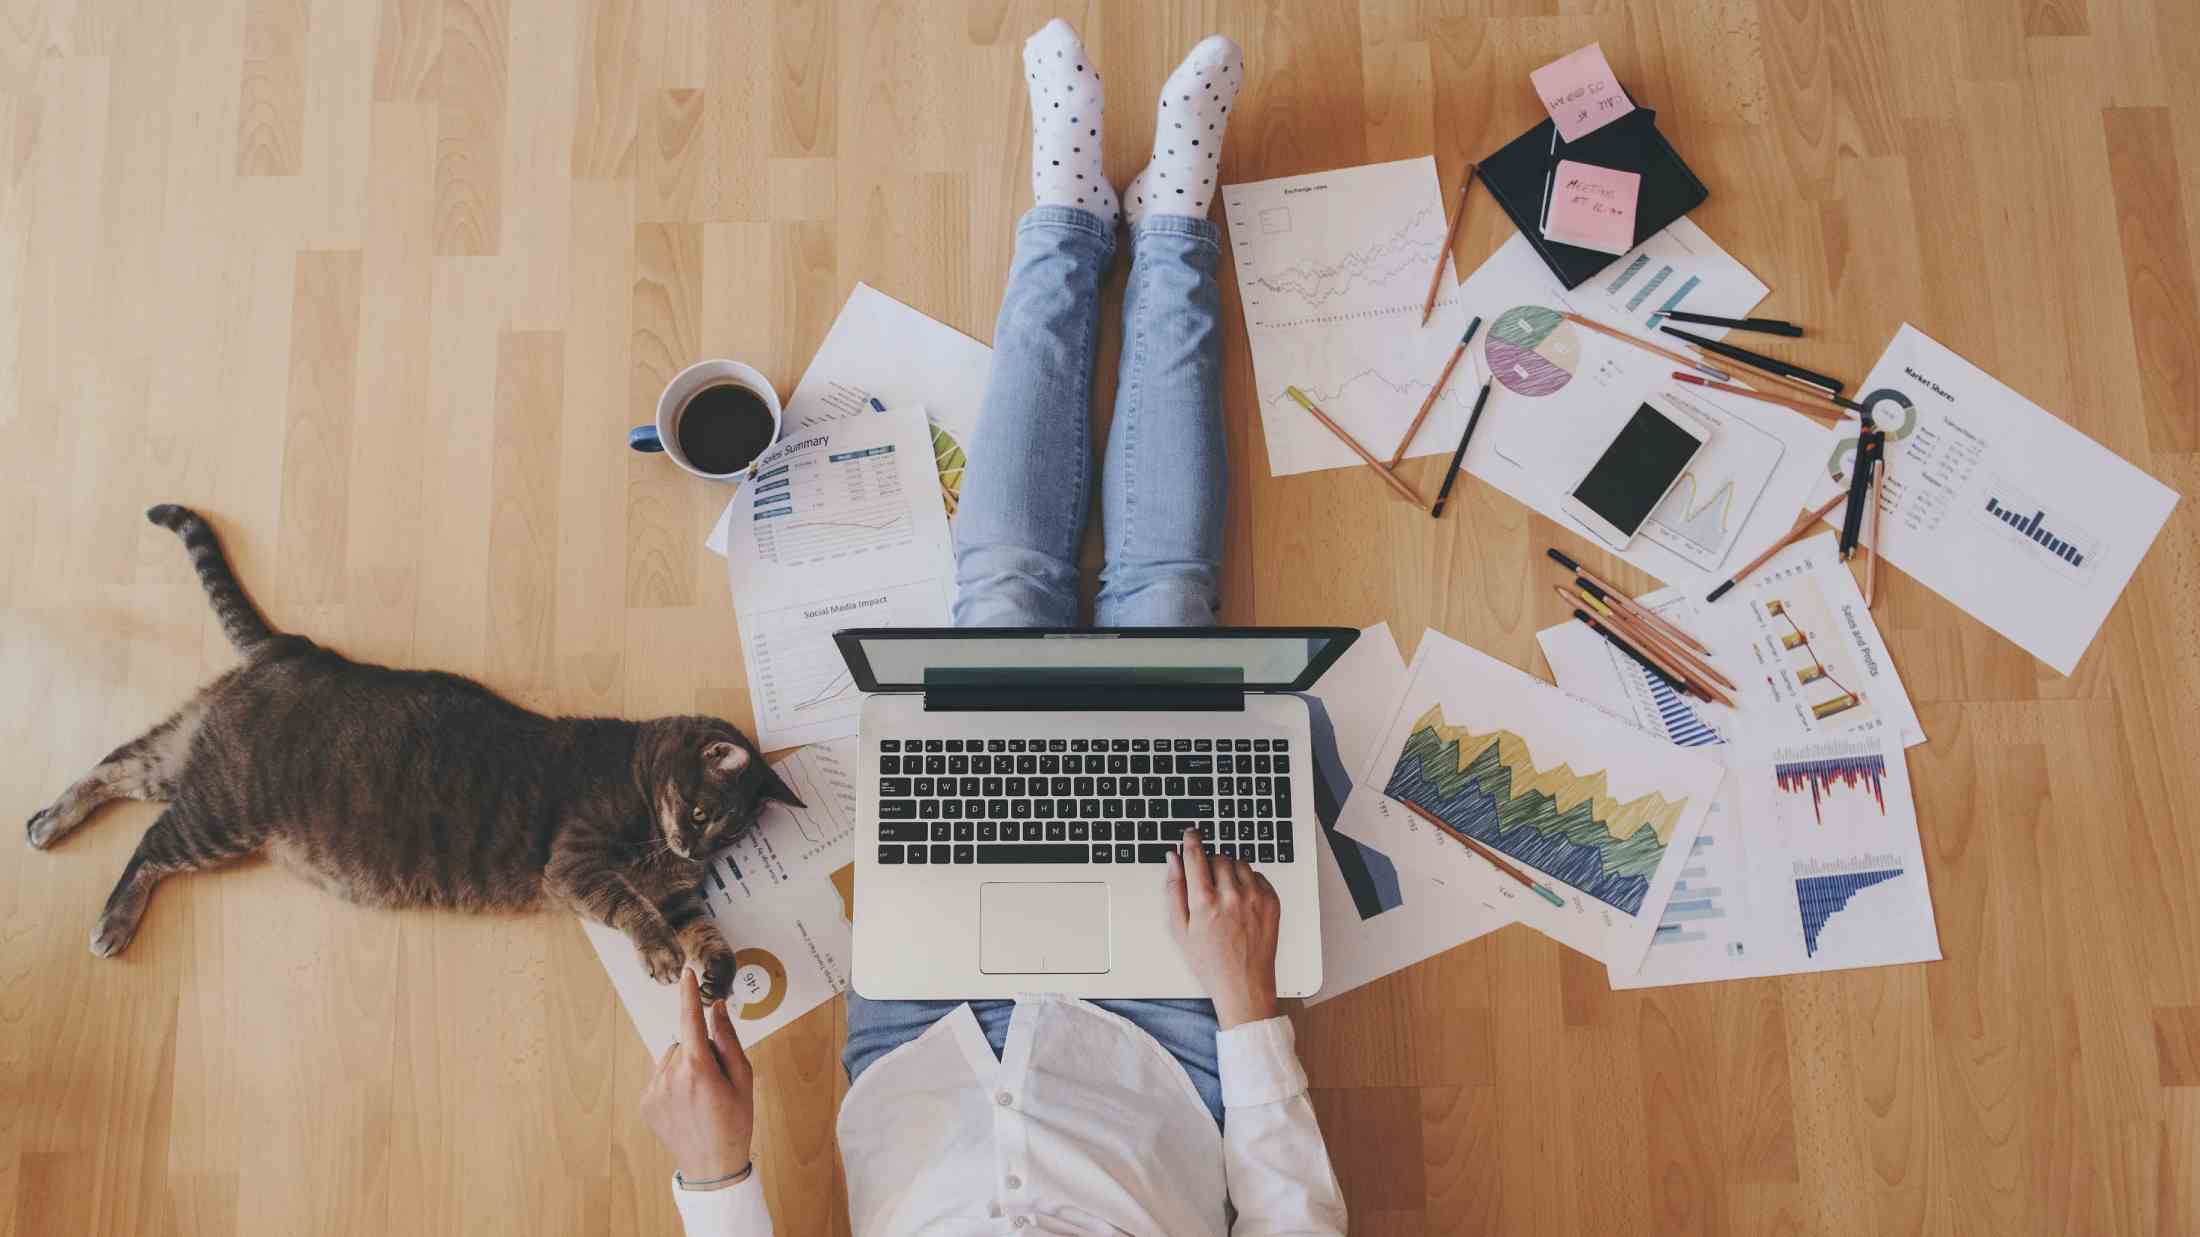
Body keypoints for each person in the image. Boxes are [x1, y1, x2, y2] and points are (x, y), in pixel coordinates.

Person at [642, 20, 1348, 1234]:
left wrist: (714, 1179)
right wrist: (1246, 1009)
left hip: (927, 1035)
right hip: (1166, 1036)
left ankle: (1068, 213)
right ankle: (1175, 224)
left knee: (1009, 599)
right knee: (1164, 607)